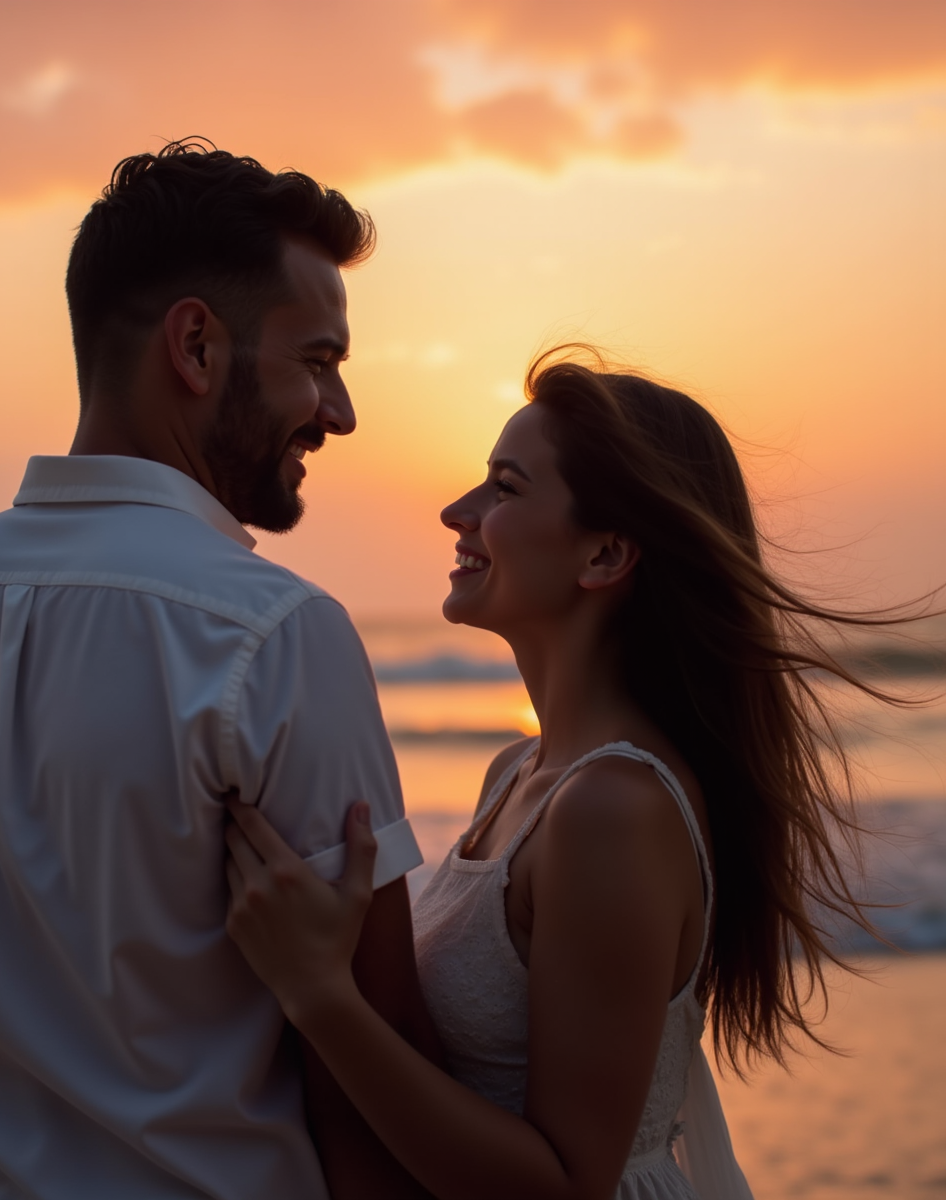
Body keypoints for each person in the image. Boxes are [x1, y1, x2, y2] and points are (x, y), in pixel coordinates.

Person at [0, 141, 437, 1200]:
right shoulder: (276, 637)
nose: (341, 415)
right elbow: (365, 1081)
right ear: (196, 345)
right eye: (321, 361)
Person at [225, 351, 917, 1199]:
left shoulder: (612, 809)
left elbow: (563, 1187)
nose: (456, 511)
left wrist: (319, 997)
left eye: (505, 489)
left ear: (605, 556)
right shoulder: (519, 772)